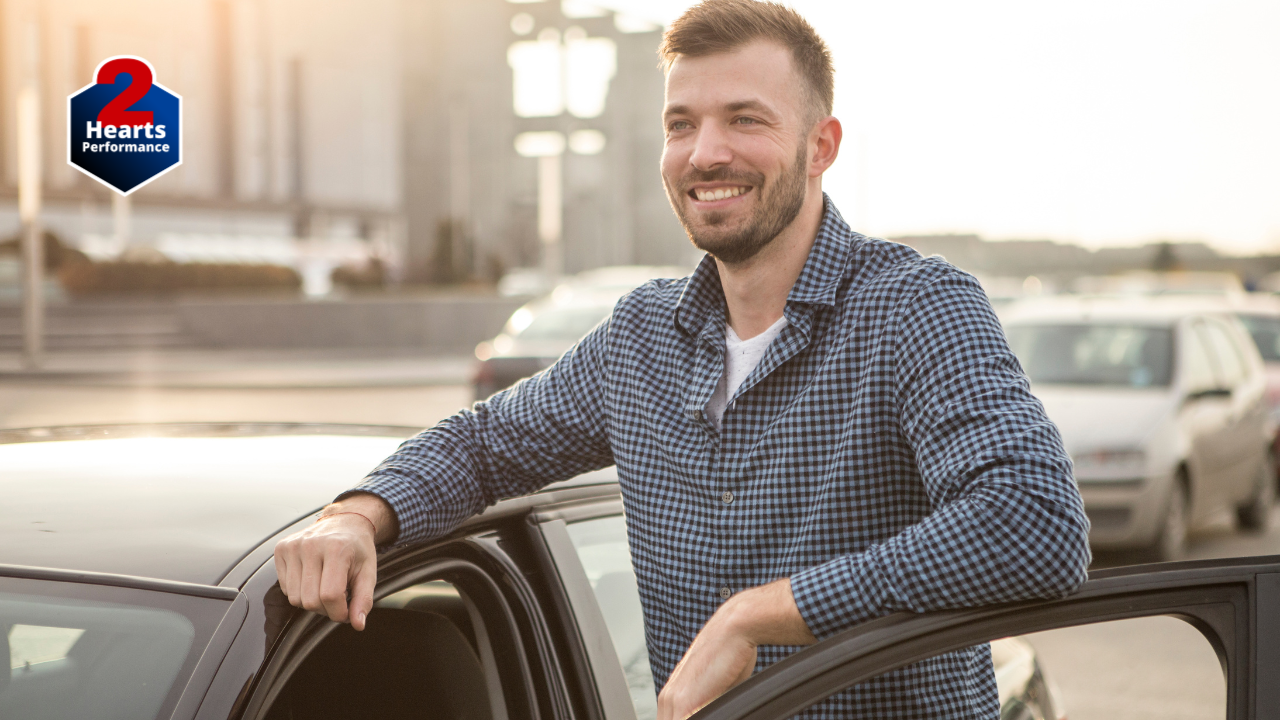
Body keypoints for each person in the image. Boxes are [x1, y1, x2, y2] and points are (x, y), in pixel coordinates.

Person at [274, 1, 1091, 718]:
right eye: (680, 124)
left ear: (821, 145)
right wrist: (358, 514)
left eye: (746, 118)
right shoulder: (639, 338)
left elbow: (1035, 523)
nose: (705, 153)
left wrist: (763, 615)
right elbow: (483, 445)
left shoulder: (916, 309)